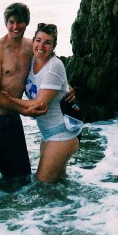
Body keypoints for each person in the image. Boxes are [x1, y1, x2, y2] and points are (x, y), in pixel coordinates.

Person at [0, 2, 47, 187]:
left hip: (12, 122)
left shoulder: (31, 47)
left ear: (27, 23)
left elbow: (52, 66)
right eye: (11, 22)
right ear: (6, 23)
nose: (15, 27)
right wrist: (25, 109)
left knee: (22, 182)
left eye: (20, 22)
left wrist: (68, 87)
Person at [24, 23, 82, 183]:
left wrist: (4, 100)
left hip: (62, 134)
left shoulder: (54, 66)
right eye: (38, 40)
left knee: (42, 185)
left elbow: (40, 105)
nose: (41, 46)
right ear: (32, 41)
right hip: (48, 133)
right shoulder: (30, 61)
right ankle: (78, 206)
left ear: (54, 46)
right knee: (59, 184)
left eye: (47, 42)